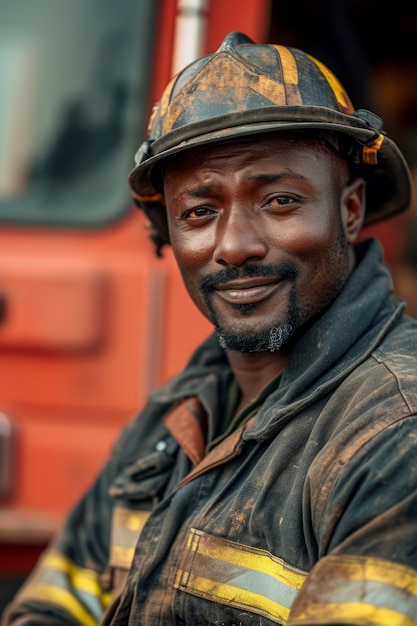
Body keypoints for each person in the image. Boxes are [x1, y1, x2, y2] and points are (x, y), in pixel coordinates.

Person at [2, 31, 417, 626]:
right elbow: (51, 606)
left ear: (349, 210)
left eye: (279, 201)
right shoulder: (172, 418)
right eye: (199, 213)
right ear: (169, 235)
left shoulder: (394, 432)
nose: (235, 246)